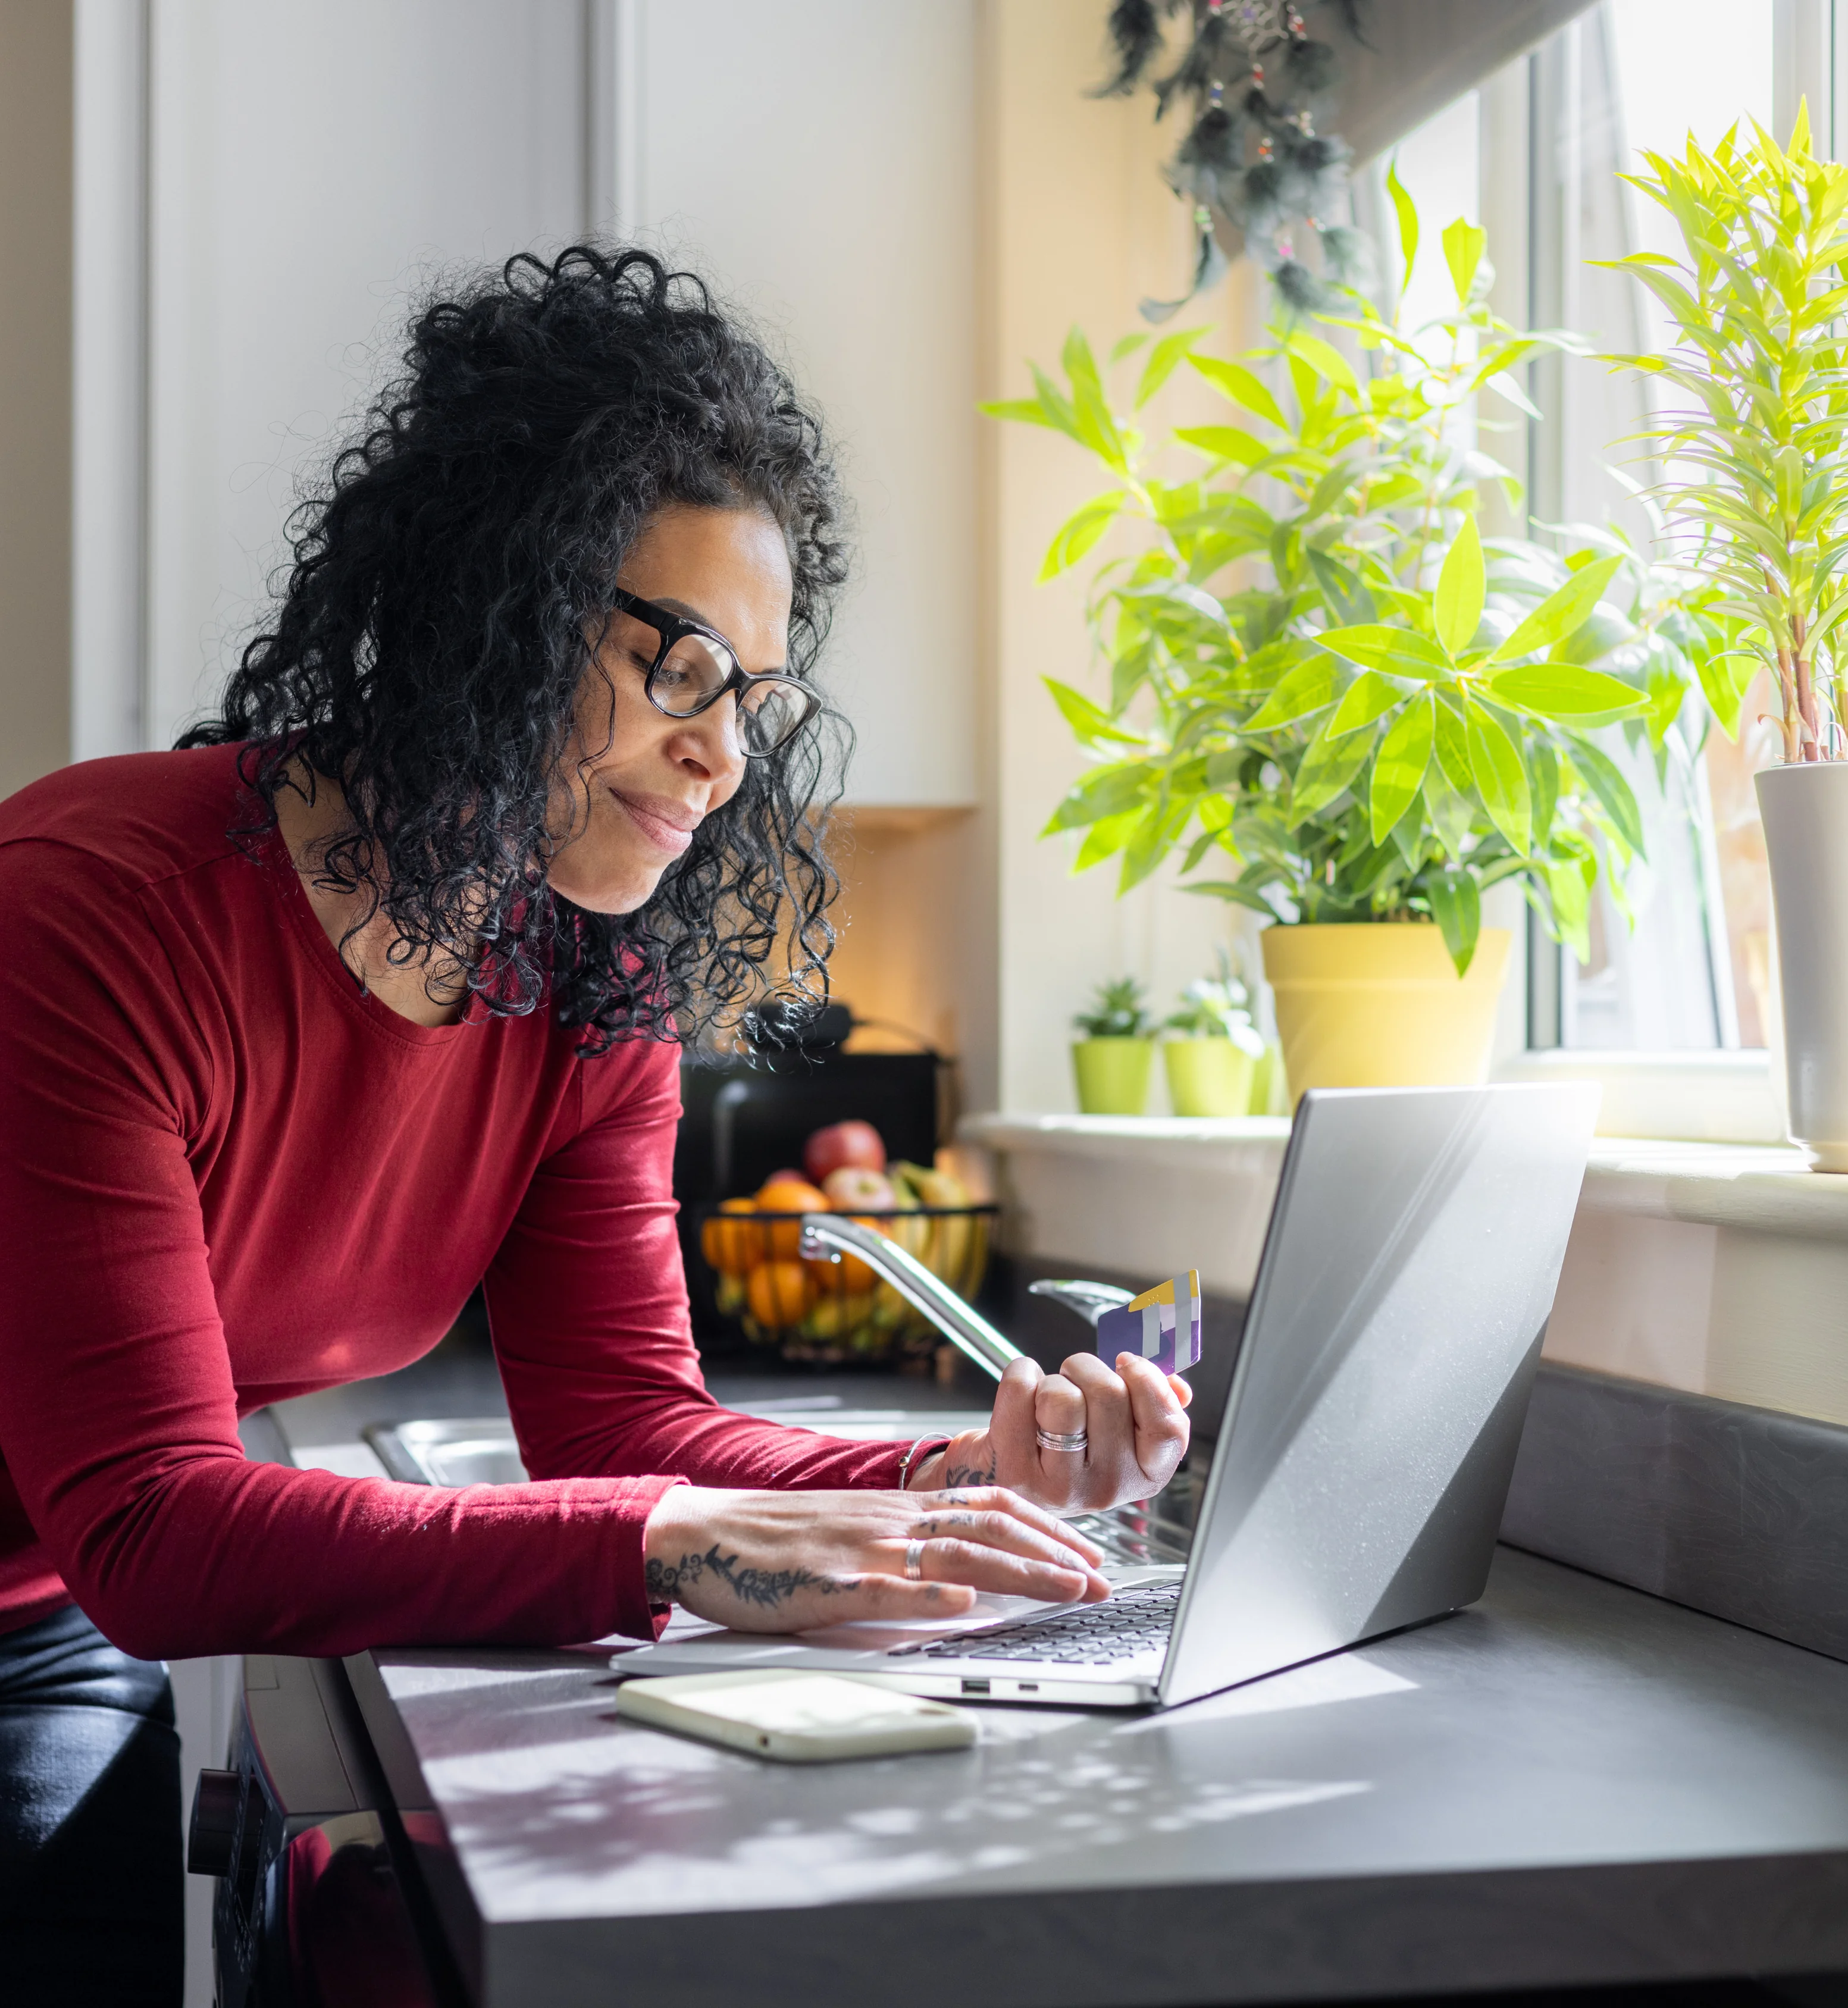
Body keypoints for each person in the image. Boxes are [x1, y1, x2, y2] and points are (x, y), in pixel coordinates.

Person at [0, 247, 1191, 2000]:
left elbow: (628, 1422)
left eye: (758, 702)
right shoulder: (92, 905)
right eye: (687, 664)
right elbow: (161, 1522)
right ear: (502, 592)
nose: (723, 759)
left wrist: (956, 1479)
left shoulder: (582, 983)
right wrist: (657, 1543)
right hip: (78, 1593)